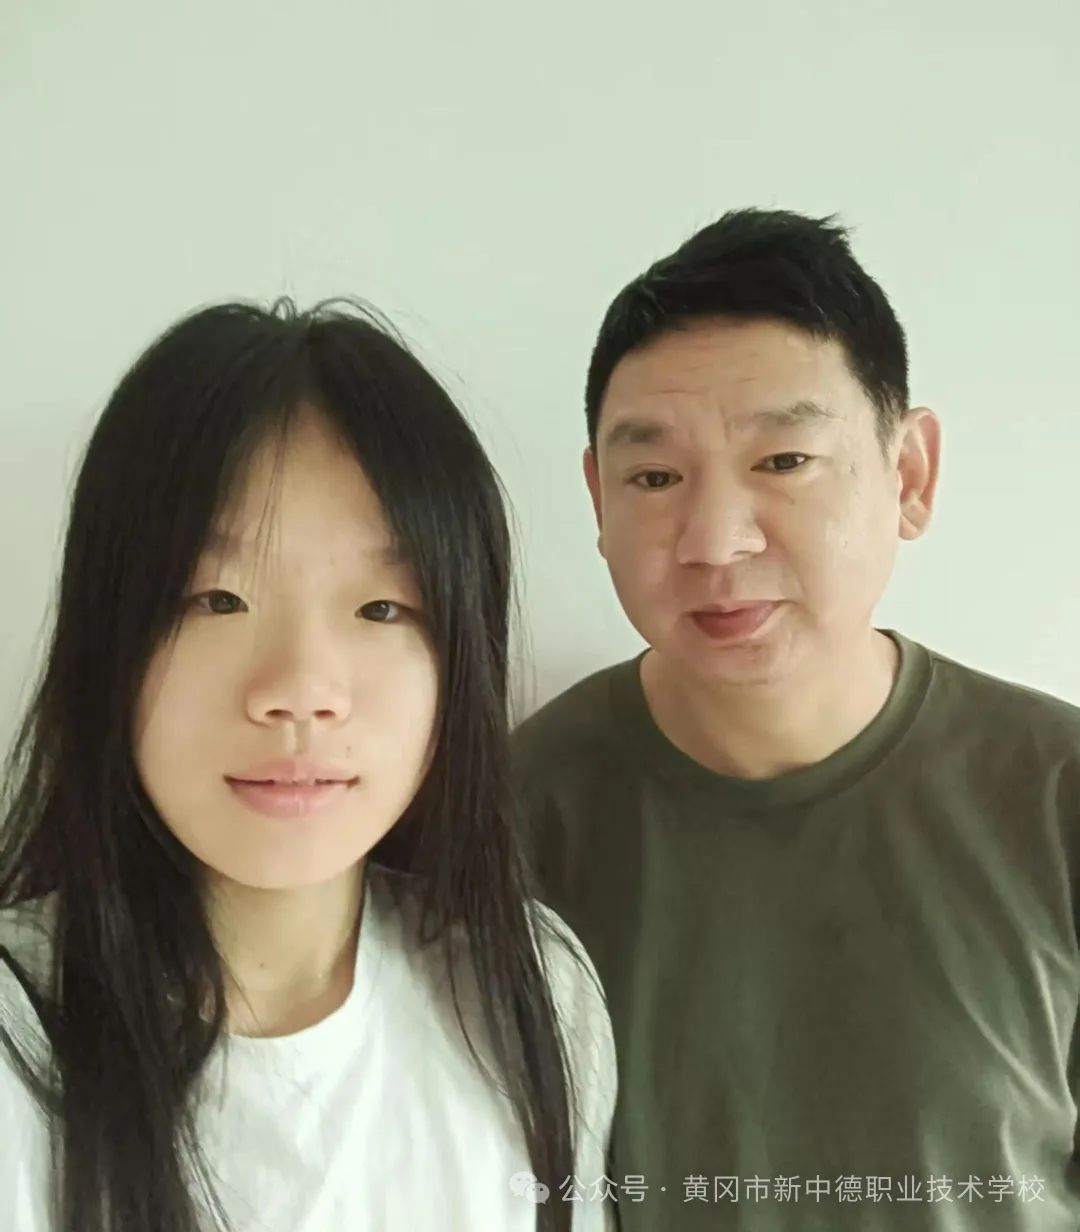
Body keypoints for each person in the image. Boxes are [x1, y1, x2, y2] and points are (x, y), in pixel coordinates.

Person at [513, 208, 1080, 1230]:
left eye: (783, 461)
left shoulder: (1057, 795)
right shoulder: (509, 820)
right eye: (654, 477)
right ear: (598, 498)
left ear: (909, 474)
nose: (715, 540)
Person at [0, 299, 616, 1232]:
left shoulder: (532, 996)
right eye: (216, 598)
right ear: (109, 637)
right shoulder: (20, 1041)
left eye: (381, 608)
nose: (298, 690)